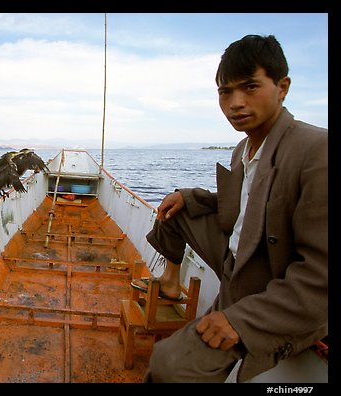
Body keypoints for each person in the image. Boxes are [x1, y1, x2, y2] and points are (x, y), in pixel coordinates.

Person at [138, 34, 328, 382]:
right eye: (225, 92)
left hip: (267, 284)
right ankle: (169, 281)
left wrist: (240, 320)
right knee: (174, 209)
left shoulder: (317, 150)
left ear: (282, 87)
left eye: (250, 87)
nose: (235, 103)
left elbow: (321, 274)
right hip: (234, 260)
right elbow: (249, 205)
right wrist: (191, 196)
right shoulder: (243, 149)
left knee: (168, 363)